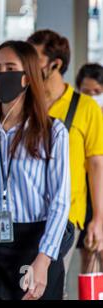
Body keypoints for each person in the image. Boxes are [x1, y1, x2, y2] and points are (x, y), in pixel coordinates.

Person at [0, 40, 70, 300]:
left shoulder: (52, 132)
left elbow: (60, 203)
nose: (1, 75)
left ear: (28, 76)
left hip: (35, 243)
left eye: (10, 67)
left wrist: (44, 260)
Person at [28, 30, 103, 298]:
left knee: (51, 288)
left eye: (33, 58)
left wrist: (98, 219)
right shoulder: (24, 102)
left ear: (55, 64)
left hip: (67, 217)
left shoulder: (86, 108)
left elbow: (95, 164)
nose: (27, 64)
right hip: (24, 216)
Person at [75, 63, 103, 273]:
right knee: (89, 255)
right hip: (86, 193)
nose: (92, 97)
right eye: (86, 92)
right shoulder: (78, 117)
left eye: (98, 92)